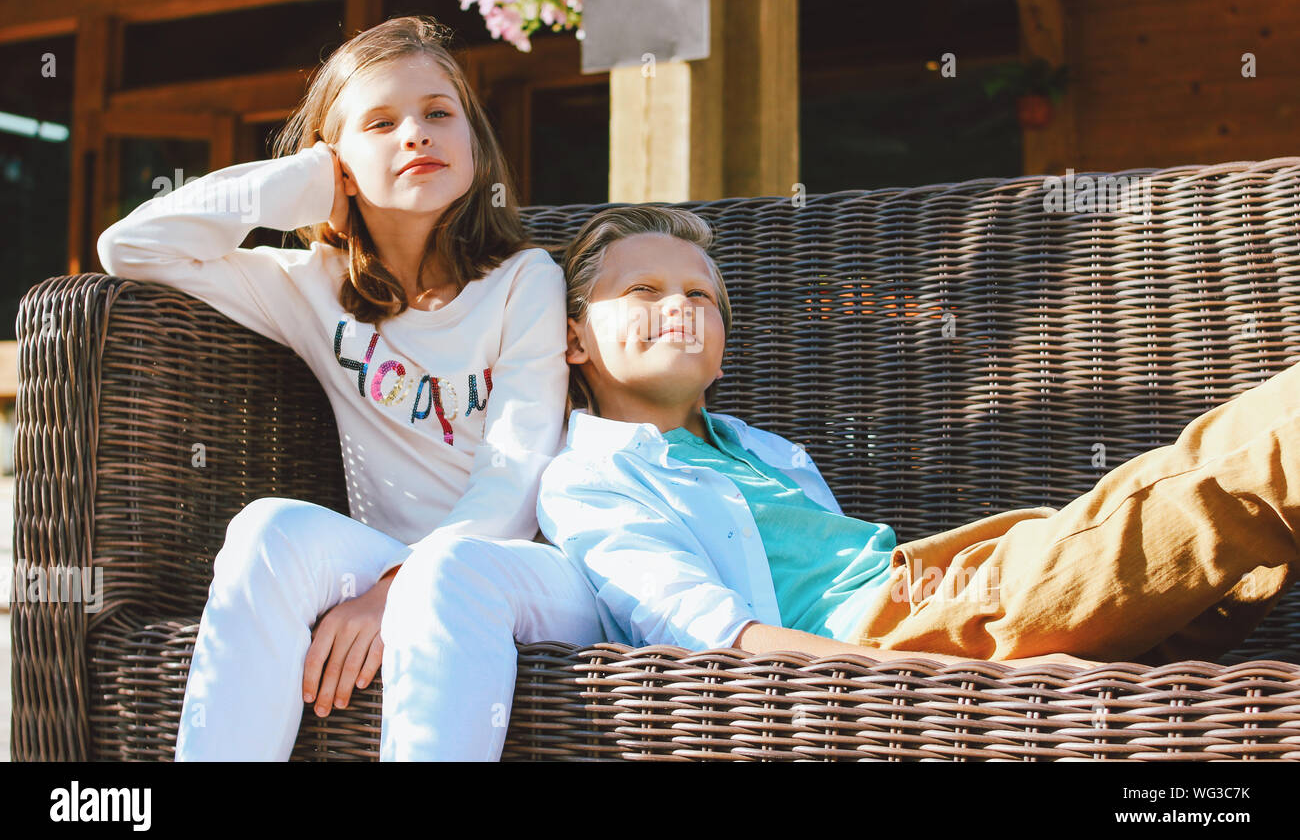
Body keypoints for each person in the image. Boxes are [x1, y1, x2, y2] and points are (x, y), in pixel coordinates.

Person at [97, 15, 604, 761]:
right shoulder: (310, 289)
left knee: (449, 576)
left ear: (474, 141)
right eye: (380, 122)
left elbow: (516, 474)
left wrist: (395, 586)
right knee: (268, 529)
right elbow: (129, 247)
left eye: (439, 112)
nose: (417, 134)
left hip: (524, 572)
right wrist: (288, 187)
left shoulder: (524, 281)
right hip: (390, 560)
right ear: (336, 164)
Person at [536, 204, 1298, 669]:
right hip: (906, 636)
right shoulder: (588, 478)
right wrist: (913, 671)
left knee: (1222, 478)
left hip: (957, 581)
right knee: (1236, 474)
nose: (682, 307)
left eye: (700, 294)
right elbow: (717, 636)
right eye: (642, 290)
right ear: (574, 342)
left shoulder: (763, 451)